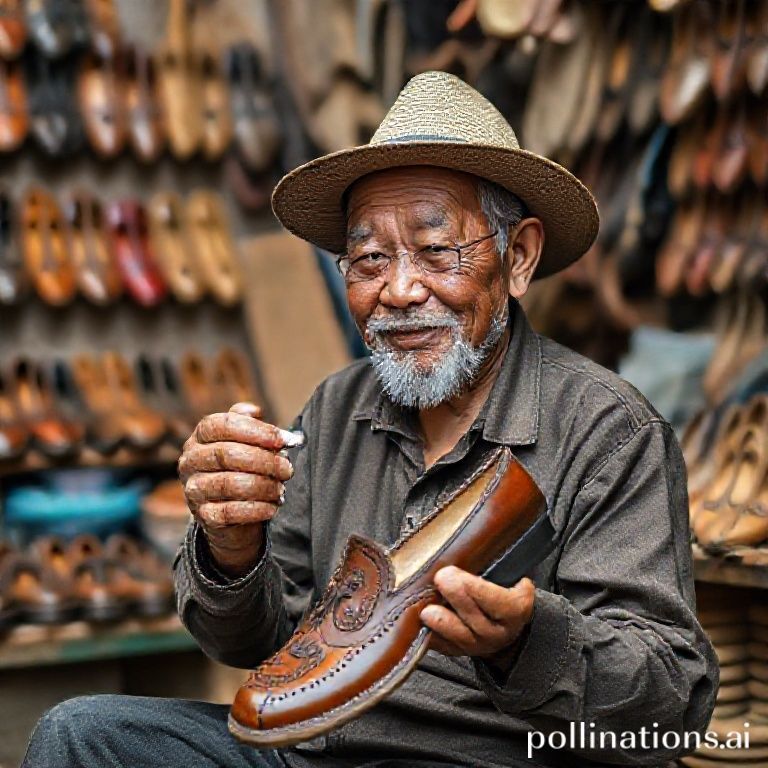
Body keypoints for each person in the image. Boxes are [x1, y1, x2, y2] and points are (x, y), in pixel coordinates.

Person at [22, 71, 717, 768]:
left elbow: (671, 708)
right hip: (321, 751)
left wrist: (528, 641)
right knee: (81, 734)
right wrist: (231, 549)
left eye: (437, 251)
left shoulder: (608, 432)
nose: (400, 290)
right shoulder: (336, 410)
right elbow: (257, 645)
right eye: (369, 259)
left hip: (491, 758)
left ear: (519, 256)